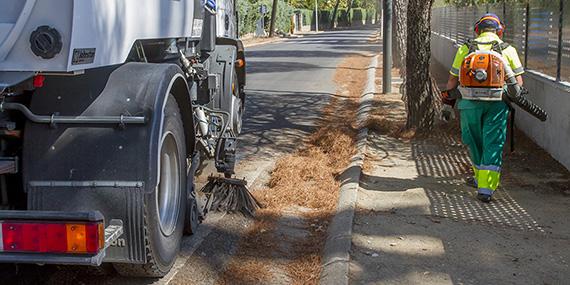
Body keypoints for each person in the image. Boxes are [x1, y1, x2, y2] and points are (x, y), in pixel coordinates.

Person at [443, 14, 525, 202]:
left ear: (477, 30)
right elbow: (518, 83)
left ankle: (479, 177)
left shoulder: (466, 48)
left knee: (473, 140)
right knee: (493, 142)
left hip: (468, 104)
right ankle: (486, 188)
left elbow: (452, 80)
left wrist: (447, 106)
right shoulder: (508, 49)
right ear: (499, 31)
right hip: (497, 105)